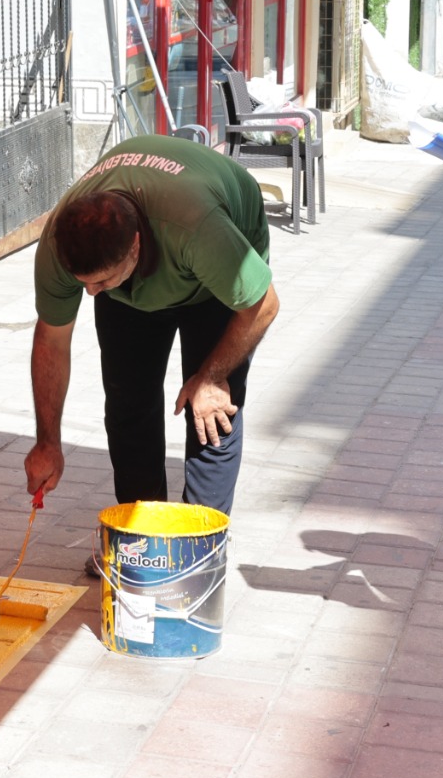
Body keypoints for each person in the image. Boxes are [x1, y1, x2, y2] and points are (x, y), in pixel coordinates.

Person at [26, 136, 280, 516]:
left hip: (213, 271)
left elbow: (263, 306)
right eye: (83, 283)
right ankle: (143, 536)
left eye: (102, 281)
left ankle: (198, 546)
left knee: (210, 410)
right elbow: (52, 342)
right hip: (151, 269)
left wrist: (210, 377)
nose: (91, 294)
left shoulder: (197, 227)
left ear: (134, 248)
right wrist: (48, 441)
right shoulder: (59, 247)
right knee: (129, 405)